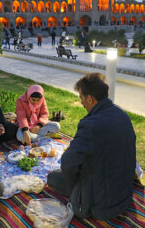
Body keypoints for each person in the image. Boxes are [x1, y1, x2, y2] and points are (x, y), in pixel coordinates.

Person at [47, 73, 136, 220]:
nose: (81, 102)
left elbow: (68, 164)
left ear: (90, 99)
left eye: (81, 97)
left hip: (101, 205)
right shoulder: (123, 115)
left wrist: (78, 183)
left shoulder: (90, 125)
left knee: (53, 177)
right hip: (124, 194)